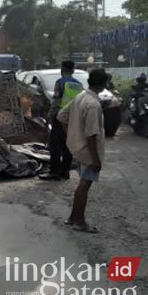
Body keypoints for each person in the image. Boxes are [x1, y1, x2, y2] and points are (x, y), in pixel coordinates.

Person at [57, 68, 109, 233]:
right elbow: (92, 135)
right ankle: (79, 221)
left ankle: (73, 217)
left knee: (82, 184)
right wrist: (96, 160)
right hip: (88, 151)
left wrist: (72, 135)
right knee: (84, 185)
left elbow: (61, 116)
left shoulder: (80, 96)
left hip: (79, 148)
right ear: (104, 84)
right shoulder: (93, 104)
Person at [40, 60, 83, 180]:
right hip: (73, 118)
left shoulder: (60, 83)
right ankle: (65, 171)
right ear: (73, 70)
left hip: (60, 117)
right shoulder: (79, 84)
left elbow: (56, 102)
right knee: (68, 145)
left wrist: (49, 116)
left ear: (62, 69)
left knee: (55, 145)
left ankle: (54, 172)